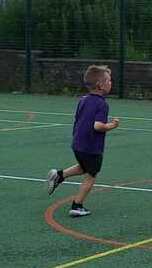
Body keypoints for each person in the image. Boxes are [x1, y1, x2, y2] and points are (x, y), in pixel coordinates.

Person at [45, 64, 120, 217]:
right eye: (109, 80)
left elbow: (78, 119)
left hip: (78, 143)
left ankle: (60, 175)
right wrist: (112, 125)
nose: (111, 83)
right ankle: (77, 205)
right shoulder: (102, 104)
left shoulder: (83, 100)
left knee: (84, 166)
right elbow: (98, 126)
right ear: (101, 85)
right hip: (92, 146)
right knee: (91, 175)